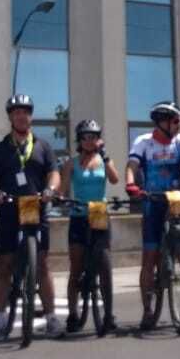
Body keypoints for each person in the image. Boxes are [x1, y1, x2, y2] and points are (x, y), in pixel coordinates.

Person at [125, 101, 180, 330]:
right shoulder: (144, 142)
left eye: (179, 121)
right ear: (162, 122)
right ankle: (147, 310)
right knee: (150, 257)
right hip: (153, 202)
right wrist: (130, 183)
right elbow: (132, 165)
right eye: (175, 120)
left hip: (176, 199)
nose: (178, 124)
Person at [0, 93, 63, 340]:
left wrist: (51, 189)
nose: (21, 115)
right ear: (10, 117)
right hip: (8, 209)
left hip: (36, 207)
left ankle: (51, 318)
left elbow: (54, 173)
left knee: (43, 264)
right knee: (4, 264)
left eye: (25, 111)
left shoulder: (43, 146)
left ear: (30, 116)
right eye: (16, 112)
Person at [61, 118, 119, 333]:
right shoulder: (71, 163)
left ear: (98, 139)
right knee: (76, 266)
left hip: (99, 212)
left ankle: (109, 314)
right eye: (85, 137)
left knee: (104, 264)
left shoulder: (104, 160)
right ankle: (73, 313)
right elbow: (64, 188)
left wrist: (104, 154)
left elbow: (114, 180)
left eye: (93, 137)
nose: (89, 141)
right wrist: (60, 198)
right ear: (79, 140)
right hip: (78, 213)